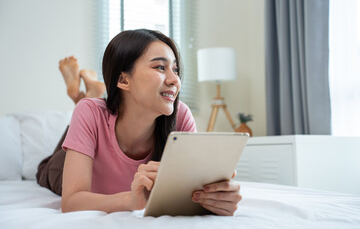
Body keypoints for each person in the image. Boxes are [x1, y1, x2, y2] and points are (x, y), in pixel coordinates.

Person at [36, 29, 242, 216]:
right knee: (45, 169)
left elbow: (193, 191)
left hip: (95, 118)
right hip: (61, 164)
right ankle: (82, 98)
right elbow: (71, 202)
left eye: (176, 70)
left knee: (87, 113)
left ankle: (87, 95)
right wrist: (130, 200)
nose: (174, 80)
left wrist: (215, 197)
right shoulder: (89, 113)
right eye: (161, 67)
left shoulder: (181, 116)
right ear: (123, 80)